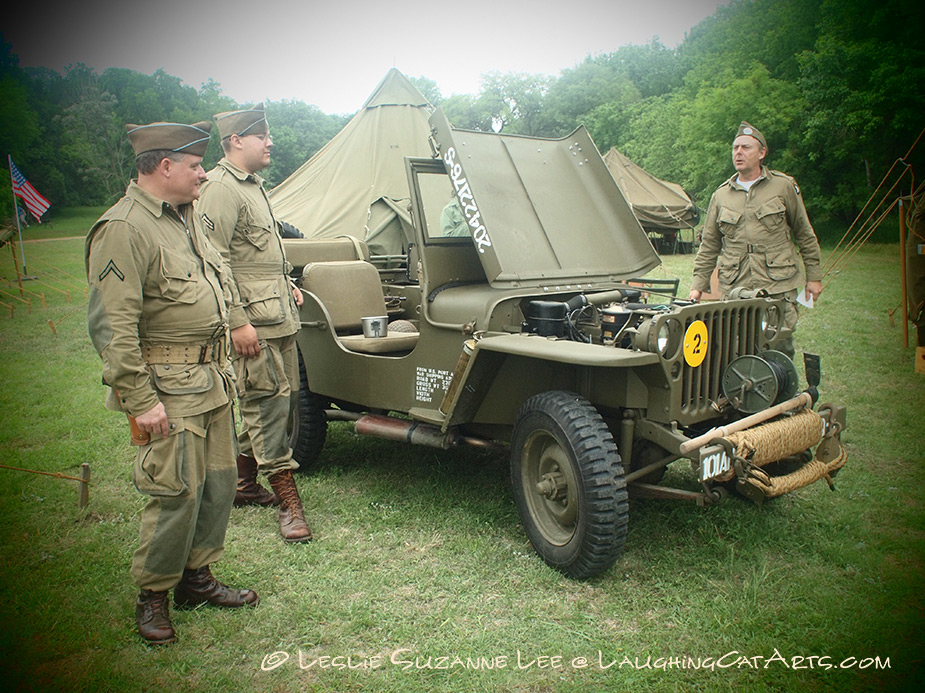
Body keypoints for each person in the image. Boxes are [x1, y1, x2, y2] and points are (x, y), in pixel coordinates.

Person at [86, 120, 259, 646]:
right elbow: (112, 326)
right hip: (166, 387)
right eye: (195, 166)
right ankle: (154, 595)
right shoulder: (125, 228)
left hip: (210, 380)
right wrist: (141, 401)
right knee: (174, 492)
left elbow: (217, 280)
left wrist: (235, 321)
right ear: (164, 167)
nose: (203, 174)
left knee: (219, 484)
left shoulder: (187, 219)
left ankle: (196, 578)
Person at [197, 104, 312, 543]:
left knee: (286, 401)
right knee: (266, 404)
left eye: (268, 135)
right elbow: (214, 260)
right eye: (261, 136)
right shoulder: (221, 189)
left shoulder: (253, 186)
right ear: (235, 142)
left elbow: (259, 253)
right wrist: (236, 322)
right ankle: (288, 505)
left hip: (278, 315)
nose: (270, 142)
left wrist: (287, 283)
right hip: (253, 324)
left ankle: (244, 485)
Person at [689, 121, 823, 358]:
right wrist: (698, 286)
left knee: (778, 348)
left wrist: (814, 277)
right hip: (735, 287)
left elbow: (804, 233)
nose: (738, 153)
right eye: (735, 148)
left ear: (762, 153)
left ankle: (781, 394)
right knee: (732, 349)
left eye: (745, 148)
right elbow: (709, 244)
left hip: (777, 285)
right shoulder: (721, 195)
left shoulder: (783, 187)